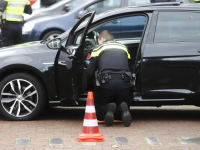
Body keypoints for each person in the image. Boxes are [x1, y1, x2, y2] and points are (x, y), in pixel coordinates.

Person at [87, 30, 133, 127]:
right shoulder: (123, 47)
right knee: (123, 104)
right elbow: (129, 66)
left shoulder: (98, 48)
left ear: (102, 39)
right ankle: (121, 110)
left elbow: (90, 72)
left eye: (99, 41)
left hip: (107, 84)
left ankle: (107, 109)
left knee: (99, 109)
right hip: (124, 84)